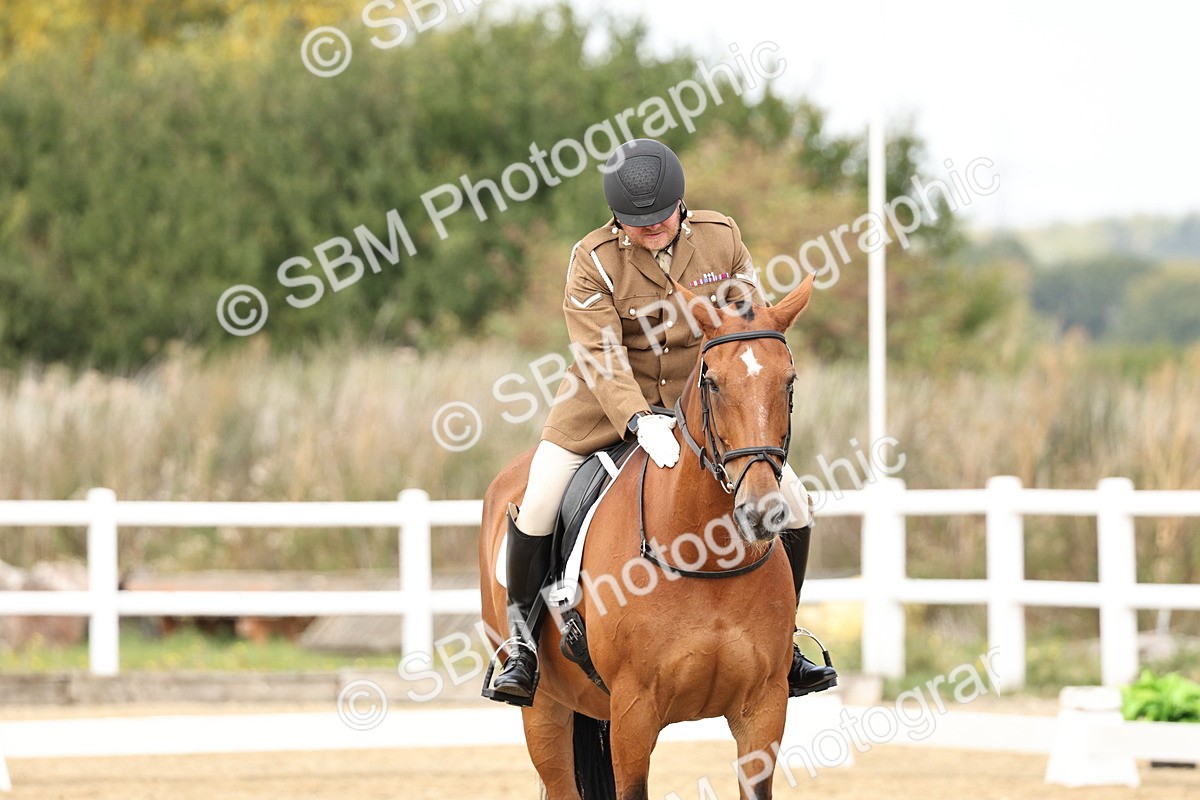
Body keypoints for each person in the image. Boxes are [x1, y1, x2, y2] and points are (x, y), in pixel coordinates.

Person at [489, 138, 837, 703]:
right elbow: (600, 354)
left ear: (681, 204)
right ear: (617, 219)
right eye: (637, 224)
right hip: (601, 409)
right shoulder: (592, 259)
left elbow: (743, 323)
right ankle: (525, 648)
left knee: (793, 505)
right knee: (538, 505)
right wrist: (637, 420)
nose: (652, 231)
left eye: (661, 220)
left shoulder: (721, 238)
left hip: (702, 405)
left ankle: (785, 638)